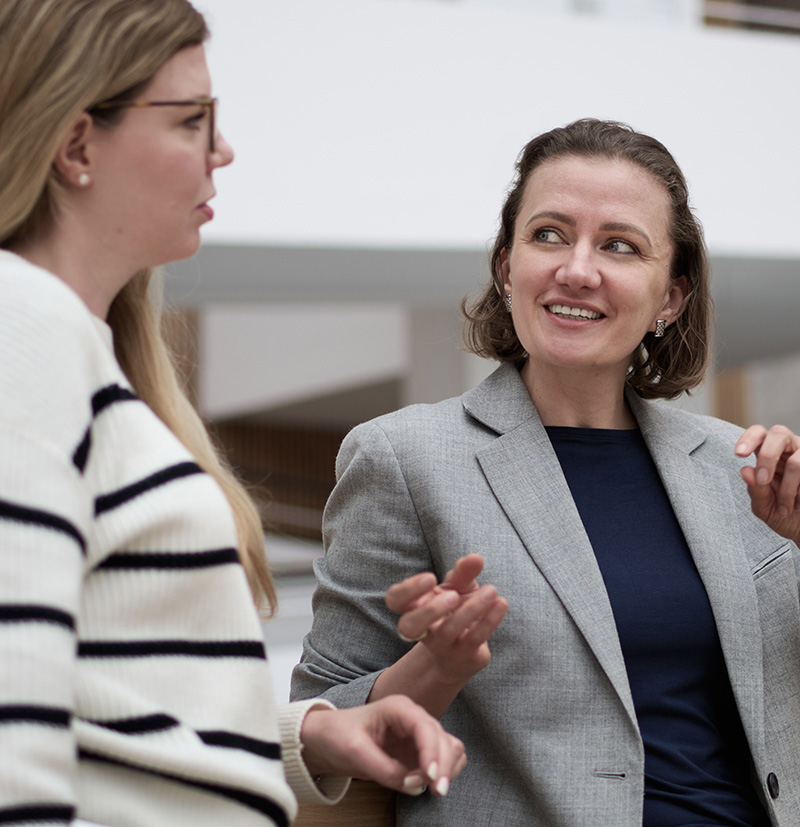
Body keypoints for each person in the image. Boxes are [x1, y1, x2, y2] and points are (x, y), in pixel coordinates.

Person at [0, 1, 467, 825]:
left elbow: (121, 701)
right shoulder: (22, 326)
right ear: (76, 144)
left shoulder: (83, 350)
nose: (223, 150)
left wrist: (313, 733)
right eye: (191, 121)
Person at [291, 118, 800, 826]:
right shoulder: (404, 459)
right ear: (507, 268)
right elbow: (318, 720)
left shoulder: (740, 469)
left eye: (619, 245)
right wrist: (433, 666)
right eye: (549, 234)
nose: (577, 268)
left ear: (670, 298)